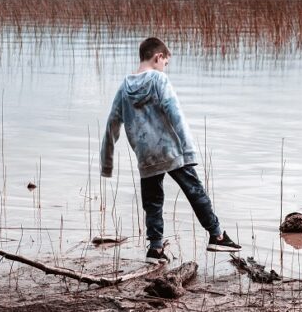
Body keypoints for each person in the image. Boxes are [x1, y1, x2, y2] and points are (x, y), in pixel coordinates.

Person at [100, 37, 241, 263]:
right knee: (195, 191)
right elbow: (176, 114)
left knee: (152, 202)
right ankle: (217, 235)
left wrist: (106, 164)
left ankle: (155, 249)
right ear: (158, 57)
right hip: (170, 150)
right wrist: (189, 151)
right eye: (165, 63)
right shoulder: (159, 80)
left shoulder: (124, 88)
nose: (165, 67)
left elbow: (111, 125)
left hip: (145, 156)